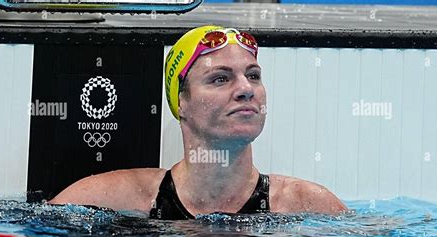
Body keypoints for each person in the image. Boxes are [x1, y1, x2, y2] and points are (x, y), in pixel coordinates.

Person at [49, 25, 348, 219]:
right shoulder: (109, 198)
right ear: (182, 102)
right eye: (221, 78)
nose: (246, 89)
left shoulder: (310, 207)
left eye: (253, 75)